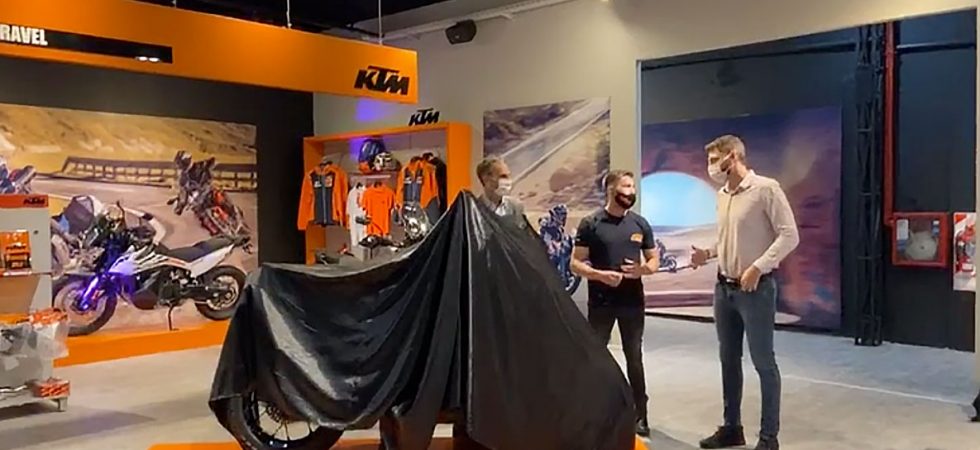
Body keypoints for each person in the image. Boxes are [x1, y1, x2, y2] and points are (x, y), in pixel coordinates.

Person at [690, 135, 799, 450]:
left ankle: (768, 438)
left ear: (733, 156)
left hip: (756, 291)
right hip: (724, 290)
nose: (711, 167)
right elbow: (729, 238)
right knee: (728, 359)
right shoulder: (723, 195)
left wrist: (758, 267)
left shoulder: (766, 189)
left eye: (715, 159)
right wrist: (708, 254)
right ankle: (731, 428)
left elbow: (789, 235)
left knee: (764, 362)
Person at [570, 170, 659, 437]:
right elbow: (575, 264)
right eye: (626, 186)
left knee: (634, 357)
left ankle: (640, 415)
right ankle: (594, 412)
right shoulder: (591, 223)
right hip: (601, 302)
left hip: (632, 302)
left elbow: (653, 260)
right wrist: (599, 275)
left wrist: (642, 270)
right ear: (611, 189)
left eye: (632, 187)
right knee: (595, 356)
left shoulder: (640, 224)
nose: (631, 192)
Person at [476, 157, 528, 229]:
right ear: (486, 179)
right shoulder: (475, 209)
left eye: (509, 176)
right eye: (503, 176)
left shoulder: (516, 207)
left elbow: (522, 233)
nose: (508, 180)